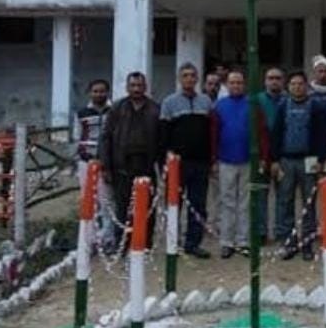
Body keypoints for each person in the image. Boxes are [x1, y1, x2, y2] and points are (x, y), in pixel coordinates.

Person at [271, 70, 326, 261]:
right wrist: (275, 160)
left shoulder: (317, 106)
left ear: (306, 86)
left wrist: (321, 160)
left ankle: (307, 243)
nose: (297, 87)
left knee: (309, 202)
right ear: (288, 87)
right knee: (285, 201)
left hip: (310, 160)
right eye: (293, 84)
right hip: (286, 160)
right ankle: (288, 242)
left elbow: (324, 134)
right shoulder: (282, 106)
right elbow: (276, 134)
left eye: (300, 84)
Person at [210, 70, 270, 258]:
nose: (236, 86)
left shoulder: (253, 105)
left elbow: (262, 132)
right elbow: (213, 135)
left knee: (245, 203)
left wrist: (263, 157)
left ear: (244, 85)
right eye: (232, 82)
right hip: (225, 160)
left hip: (248, 160)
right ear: (227, 85)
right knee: (226, 201)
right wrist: (213, 159)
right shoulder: (219, 106)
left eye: (239, 82)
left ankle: (243, 241)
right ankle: (227, 241)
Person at [98, 72, 160, 253]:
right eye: (133, 85)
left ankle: (145, 244)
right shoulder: (117, 108)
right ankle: (122, 245)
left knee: (147, 207)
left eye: (140, 85)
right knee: (123, 208)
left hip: (146, 165)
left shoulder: (155, 109)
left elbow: (162, 138)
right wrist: (106, 166)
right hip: (122, 166)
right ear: (127, 87)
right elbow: (106, 138)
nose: (136, 89)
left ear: (145, 87)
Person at [160, 62, 214, 259]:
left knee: (198, 204)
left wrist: (211, 159)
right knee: (174, 203)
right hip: (177, 163)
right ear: (179, 79)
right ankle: (173, 243)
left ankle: (193, 243)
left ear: (197, 78)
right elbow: (164, 133)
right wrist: (165, 158)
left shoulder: (206, 102)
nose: (189, 79)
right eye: (185, 75)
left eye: (192, 75)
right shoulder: (169, 102)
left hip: (200, 162)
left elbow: (210, 132)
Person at [75, 79, 113, 248]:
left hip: (107, 162)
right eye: (95, 91)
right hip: (86, 161)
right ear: (89, 93)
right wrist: (83, 156)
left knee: (107, 200)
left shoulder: (114, 111)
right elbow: (77, 137)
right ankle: (88, 239)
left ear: (107, 92)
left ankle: (107, 239)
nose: (99, 94)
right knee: (88, 199)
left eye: (102, 91)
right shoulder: (82, 113)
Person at [254, 67, 287, 245]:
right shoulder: (256, 100)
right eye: (270, 78)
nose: (274, 81)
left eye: (278, 78)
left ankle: (282, 232)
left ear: (283, 81)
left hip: (283, 155)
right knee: (260, 196)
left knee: (284, 196)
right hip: (261, 156)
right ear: (265, 81)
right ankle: (261, 232)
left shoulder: (289, 100)